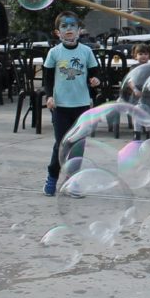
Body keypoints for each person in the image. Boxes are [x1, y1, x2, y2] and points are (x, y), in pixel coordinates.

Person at [42, 10, 101, 197]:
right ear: (57, 32)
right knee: (61, 144)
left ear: (79, 30)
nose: (69, 29)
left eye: (72, 26)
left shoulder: (86, 51)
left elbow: (95, 73)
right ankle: (52, 177)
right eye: (64, 26)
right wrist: (49, 96)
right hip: (60, 107)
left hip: (81, 105)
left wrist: (95, 82)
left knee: (77, 145)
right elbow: (47, 79)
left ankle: (72, 182)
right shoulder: (54, 53)